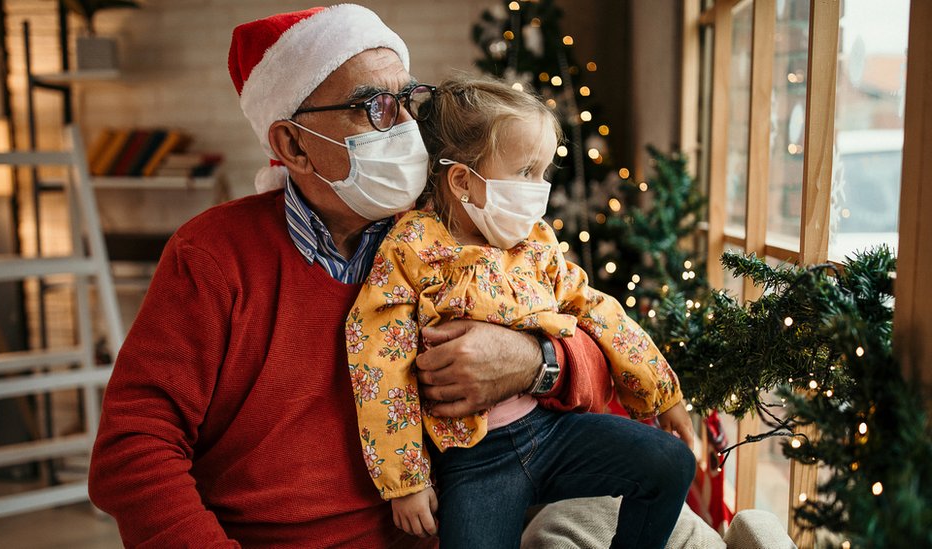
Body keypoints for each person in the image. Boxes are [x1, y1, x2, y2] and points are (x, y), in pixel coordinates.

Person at [88, 6, 656, 548]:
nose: (409, 127)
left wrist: (536, 363)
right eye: (376, 106)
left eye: (409, 100)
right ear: (293, 144)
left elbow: (595, 340)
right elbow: (134, 451)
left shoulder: (447, 238)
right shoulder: (212, 256)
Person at [346, 76, 696, 549]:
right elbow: (379, 361)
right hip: (475, 461)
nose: (540, 188)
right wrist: (405, 480)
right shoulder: (413, 249)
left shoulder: (535, 244)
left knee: (670, 463)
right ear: (464, 181)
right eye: (527, 171)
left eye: (545, 172)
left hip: (552, 432)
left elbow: (595, 308)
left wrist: (662, 393)